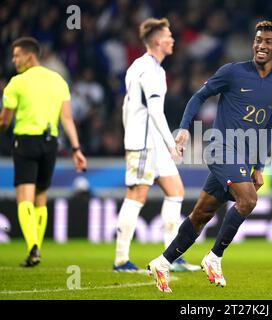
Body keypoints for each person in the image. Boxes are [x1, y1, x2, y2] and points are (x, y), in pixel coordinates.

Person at [148, 20, 272, 293]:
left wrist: (258, 166)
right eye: (258, 40)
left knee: (201, 214)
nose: (261, 45)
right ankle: (214, 257)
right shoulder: (233, 72)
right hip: (220, 148)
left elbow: (269, 126)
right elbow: (198, 96)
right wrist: (184, 129)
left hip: (245, 156)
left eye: (268, 42)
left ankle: (162, 262)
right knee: (248, 199)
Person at [113, 17, 200, 273]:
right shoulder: (149, 70)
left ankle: (171, 257)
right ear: (158, 41)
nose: (173, 39)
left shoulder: (142, 67)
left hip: (151, 142)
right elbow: (153, 111)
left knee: (176, 191)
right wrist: (171, 143)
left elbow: (126, 106)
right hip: (143, 143)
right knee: (136, 196)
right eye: (169, 35)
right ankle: (121, 260)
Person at [0, 37, 87, 267]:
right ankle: (36, 247)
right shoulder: (57, 80)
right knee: (41, 199)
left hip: (26, 142)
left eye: (17, 55)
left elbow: (4, 121)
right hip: (51, 144)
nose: (14, 60)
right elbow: (67, 118)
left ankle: (32, 247)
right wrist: (77, 148)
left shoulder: (16, 83)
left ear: (30, 56)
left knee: (24, 198)